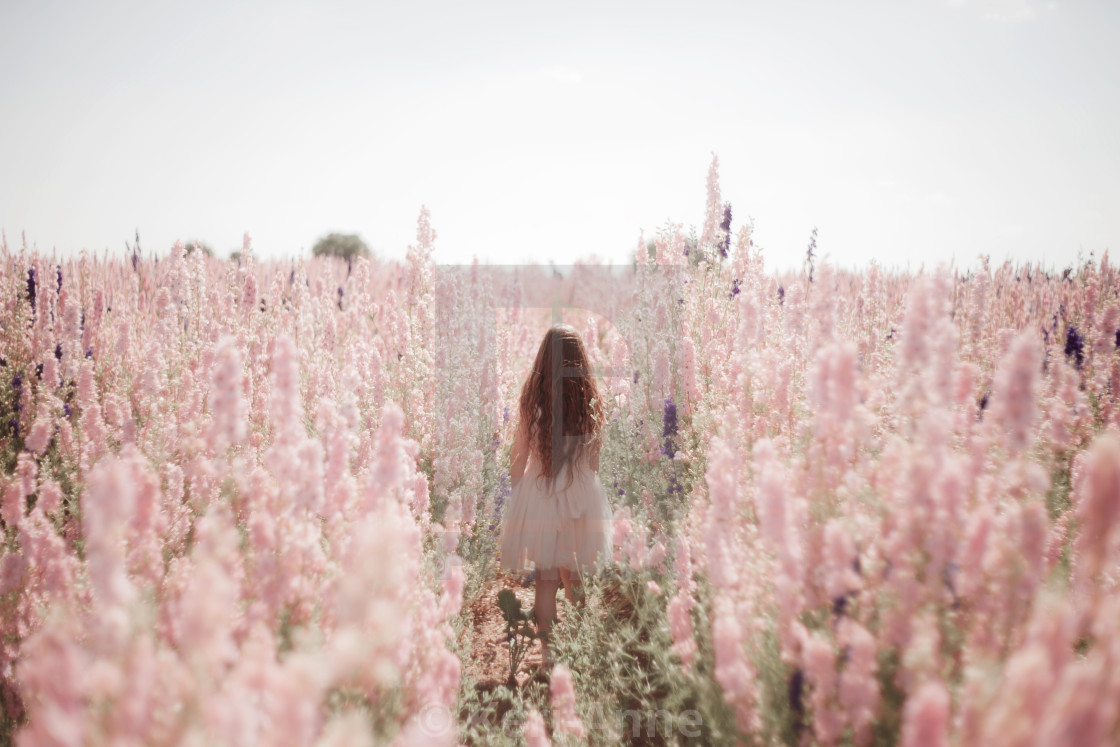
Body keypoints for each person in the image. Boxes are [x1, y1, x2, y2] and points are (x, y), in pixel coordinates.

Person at [499, 324, 613, 670]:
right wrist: (584, 486)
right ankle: (577, 647)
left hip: (542, 494)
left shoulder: (531, 400)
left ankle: (549, 657)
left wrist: (520, 493)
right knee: (573, 577)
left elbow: (518, 455)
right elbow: (595, 458)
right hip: (580, 493)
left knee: (546, 581)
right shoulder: (589, 399)